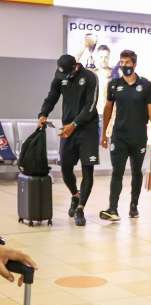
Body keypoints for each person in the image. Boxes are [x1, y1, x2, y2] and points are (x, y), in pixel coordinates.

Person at [38, 54, 100, 226]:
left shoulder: (89, 77)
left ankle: (80, 208)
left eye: (67, 73)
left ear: (75, 67)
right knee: (65, 167)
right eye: (61, 73)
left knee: (88, 169)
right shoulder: (60, 75)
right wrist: (43, 114)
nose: (64, 76)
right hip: (68, 128)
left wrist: (74, 124)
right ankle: (75, 195)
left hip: (87, 128)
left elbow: (91, 106)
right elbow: (52, 96)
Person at [100, 50, 151, 221]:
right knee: (117, 172)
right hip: (119, 137)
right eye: (122, 62)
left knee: (136, 172)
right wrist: (103, 133)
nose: (124, 65)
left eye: (127, 62)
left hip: (139, 137)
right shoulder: (114, 84)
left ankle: (134, 206)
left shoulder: (146, 85)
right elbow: (108, 109)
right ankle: (112, 209)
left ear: (134, 64)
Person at [96, 45, 113, 114]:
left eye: (106, 57)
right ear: (97, 57)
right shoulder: (91, 74)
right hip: (94, 115)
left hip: (111, 115)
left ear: (109, 57)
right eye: (101, 57)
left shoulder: (116, 74)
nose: (103, 60)